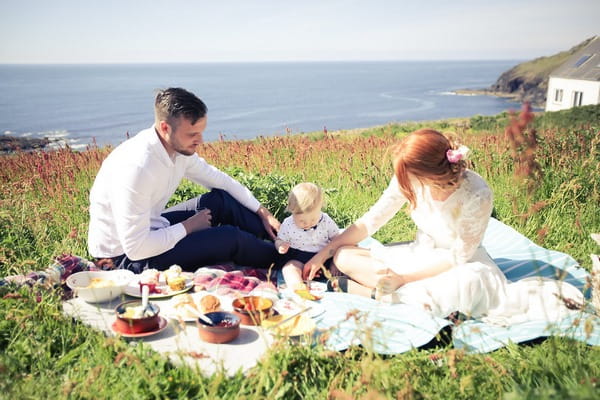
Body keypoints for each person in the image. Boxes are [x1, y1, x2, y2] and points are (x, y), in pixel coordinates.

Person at [305, 129, 583, 324]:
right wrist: (325, 252)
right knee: (343, 255)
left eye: (410, 175)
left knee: (464, 288)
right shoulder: (408, 179)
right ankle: (391, 293)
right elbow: (371, 220)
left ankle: (371, 292)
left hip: (459, 264)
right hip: (420, 252)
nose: (404, 181)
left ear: (431, 173)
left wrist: (404, 278)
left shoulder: (477, 193)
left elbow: (459, 256)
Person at [88, 87, 281, 273]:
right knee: (230, 238)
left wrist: (262, 211)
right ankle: (294, 261)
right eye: (192, 134)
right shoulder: (137, 167)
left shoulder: (178, 151)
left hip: (152, 227)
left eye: (201, 132)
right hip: (124, 259)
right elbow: (136, 248)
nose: (200, 140)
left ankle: (286, 239)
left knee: (221, 200)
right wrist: (188, 227)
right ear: (165, 128)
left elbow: (219, 180)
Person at [275, 182, 340, 290]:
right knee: (289, 268)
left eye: (313, 219)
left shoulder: (325, 221)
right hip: (298, 258)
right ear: (292, 211)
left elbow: (337, 240)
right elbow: (279, 239)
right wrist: (280, 245)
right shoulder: (288, 224)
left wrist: (334, 263)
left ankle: (344, 284)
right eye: (302, 221)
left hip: (323, 258)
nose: (308, 223)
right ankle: (299, 287)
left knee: (340, 266)